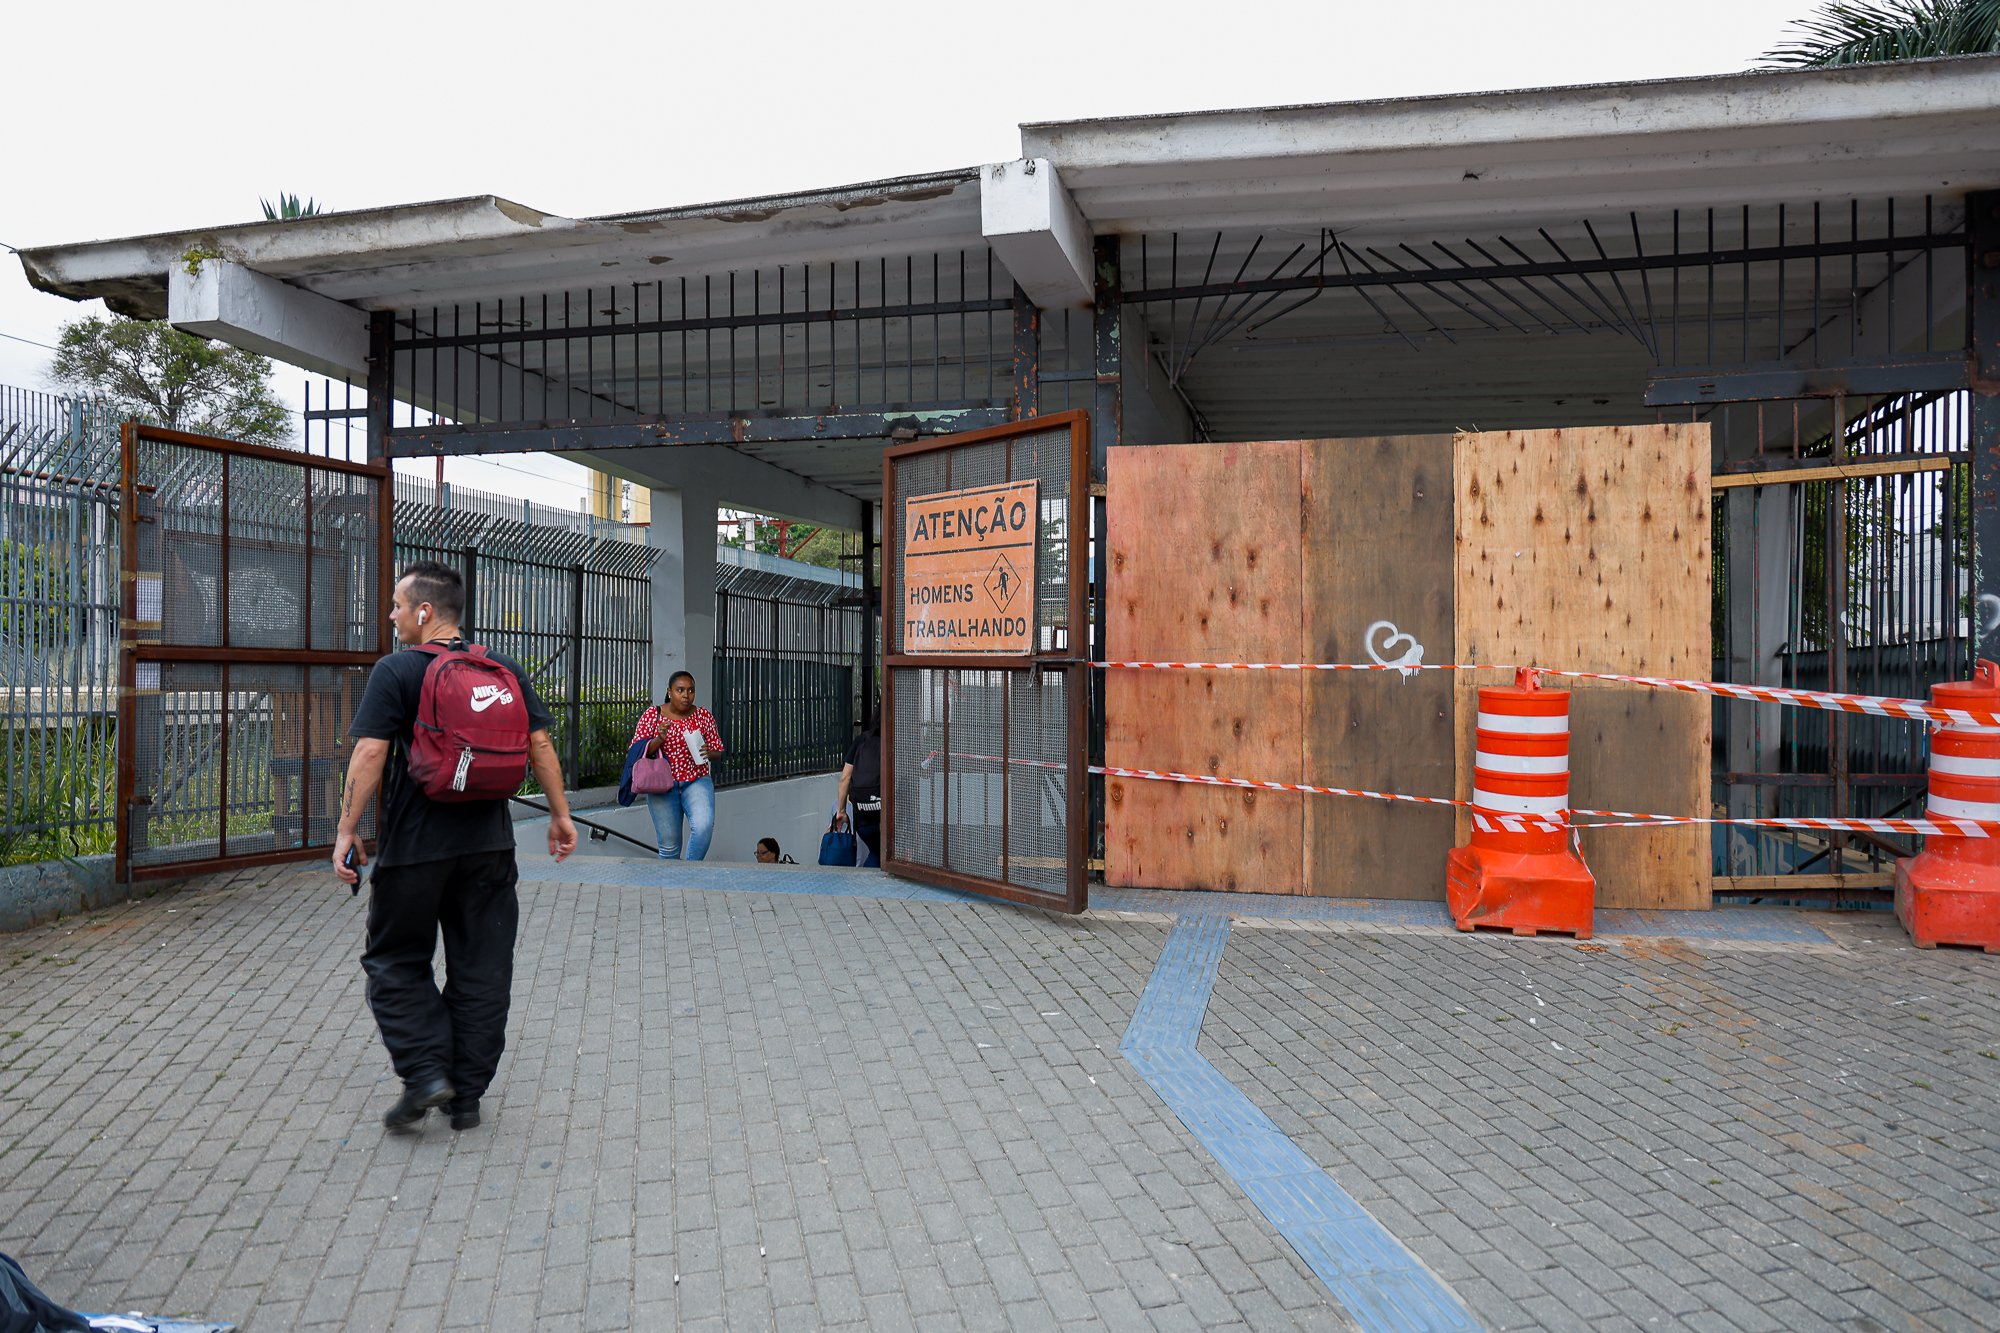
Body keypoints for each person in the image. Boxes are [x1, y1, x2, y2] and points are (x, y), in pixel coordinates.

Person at [333, 560, 576, 1133]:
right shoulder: (502, 667)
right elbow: (540, 745)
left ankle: (425, 1074)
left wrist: (347, 829)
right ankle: (466, 1095)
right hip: (489, 847)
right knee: (482, 968)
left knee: (394, 960)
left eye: (397, 606)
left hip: (416, 848)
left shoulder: (396, 670)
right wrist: (560, 815)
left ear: (424, 612)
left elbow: (371, 753)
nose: (391, 616)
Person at [631, 671, 726, 860]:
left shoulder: (703, 715)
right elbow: (637, 752)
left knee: (704, 827)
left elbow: (718, 752)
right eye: (680, 690)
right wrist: (659, 739)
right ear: (669, 691)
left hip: (696, 780)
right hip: (661, 785)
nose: (686, 695)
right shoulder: (653, 715)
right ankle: (673, 880)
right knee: (669, 848)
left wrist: (709, 753)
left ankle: (690, 871)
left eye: (691, 690)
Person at [831, 714, 883, 868]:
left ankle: (865, 883)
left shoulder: (861, 740)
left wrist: (841, 811)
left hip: (863, 817)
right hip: (887, 817)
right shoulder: (897, 740)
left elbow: (845, 778)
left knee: (875, 852)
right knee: (890, 858)